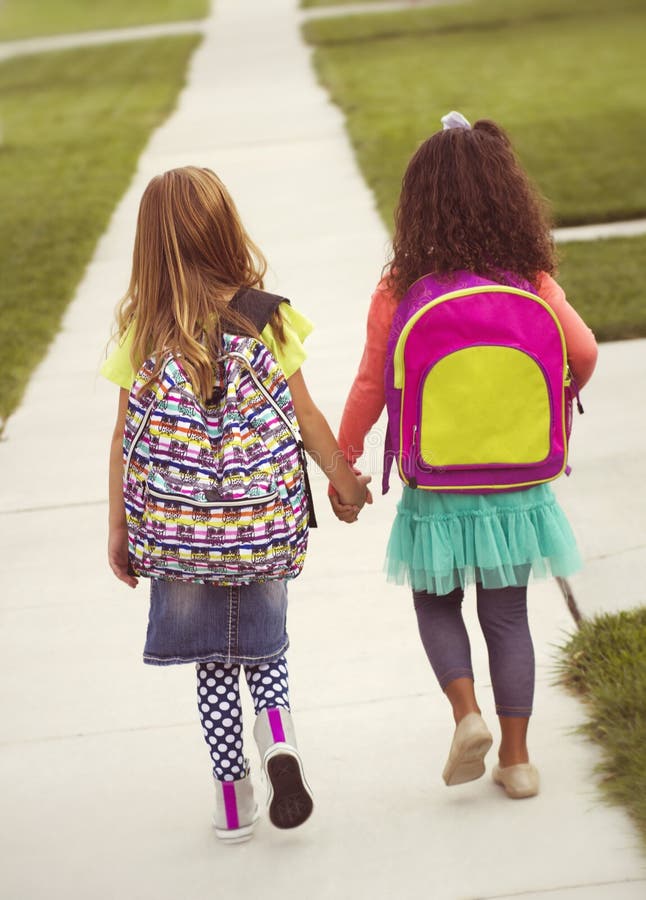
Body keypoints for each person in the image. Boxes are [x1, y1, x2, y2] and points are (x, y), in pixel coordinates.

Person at [330, 114, 598, 800]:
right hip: (515, 479)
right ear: (509, 196)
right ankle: (517, 761)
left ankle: (466, 713)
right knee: (508, 617)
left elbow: (371, 381)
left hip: (438, 484)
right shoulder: (531, 279)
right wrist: (561, 399)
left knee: (436, 602)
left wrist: (344, 458)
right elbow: (584, 353)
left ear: (417, 204)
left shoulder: (400, 287)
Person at [102, 166, 370, 842]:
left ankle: (232, 805)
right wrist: (344, 483)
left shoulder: (145, 331)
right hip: (260, 526)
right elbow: (304, 415)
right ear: (226, 233)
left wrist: (119, 528)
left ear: (149, 248)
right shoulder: (267, 316)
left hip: (180, 537)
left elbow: (124, 440)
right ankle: (278, 737)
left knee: (214, 668)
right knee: (265, 653)